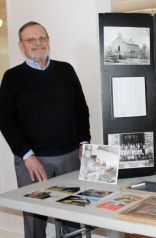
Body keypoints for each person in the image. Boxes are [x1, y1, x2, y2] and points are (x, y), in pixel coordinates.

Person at [0, 21, 90, 238]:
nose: (37, 43)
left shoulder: (66, 70)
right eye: (31, 40)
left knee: (73, 212)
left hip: (70, 157)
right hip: (33, 161)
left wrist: (84, 143)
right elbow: (5, 120)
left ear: (48, 41)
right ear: (21, 46)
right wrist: (27, 156)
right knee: (34, 216)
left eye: (42, 38)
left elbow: (81, 109)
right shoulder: (12, 77)